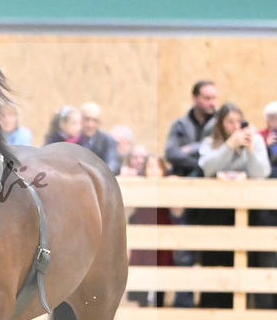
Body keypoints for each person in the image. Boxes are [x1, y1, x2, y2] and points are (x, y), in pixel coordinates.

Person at [197, 102, 271, 309]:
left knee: (247, 261)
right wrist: (229, 146)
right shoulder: (211, 142)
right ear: (221, 123)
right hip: (217, 212)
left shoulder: (255, 140)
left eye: (238, 121)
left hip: (249, 210)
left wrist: (250, 150)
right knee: (216, 260)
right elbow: (207, 168)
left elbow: (262, 173)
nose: (235, 126)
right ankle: (213, 307)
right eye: (230, 122)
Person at [163, 80, 218, 306]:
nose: (212, 103)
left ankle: (210, 304)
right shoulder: (180, 125)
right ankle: (183, 303)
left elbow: (219, 154)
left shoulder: (219, 123)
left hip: (213, 199)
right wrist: (201, 156)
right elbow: (171, 153)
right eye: (207, 98)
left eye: (214, 98)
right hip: (185, 198)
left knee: (212, 251)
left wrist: (190, 150)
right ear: (195, 98)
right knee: (184, 250)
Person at [127, 154, 175, 307]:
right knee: (141, 270)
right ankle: (142, 306)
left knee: (161, 269)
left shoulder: (168, 188)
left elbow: (177, 210)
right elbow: (129, 209)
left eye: (158, 167)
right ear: (144, 171)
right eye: (150, 167)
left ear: (163, 170)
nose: (154, 170)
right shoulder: (139, 187)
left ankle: (159, 305)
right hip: (142, 238)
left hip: (162, 237)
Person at [80, 101, 120, 174]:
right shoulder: (73, 139)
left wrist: (99, 175)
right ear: (80, 119)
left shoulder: (107, 141)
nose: (90, 124)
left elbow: (113, 163)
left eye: (95, 120)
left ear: (99, 123)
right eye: (87, 119)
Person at [259, 100, 277, 178]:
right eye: (271, 117)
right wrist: (266, 145)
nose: (274, 120)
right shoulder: (260, 135)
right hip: (268, 167)